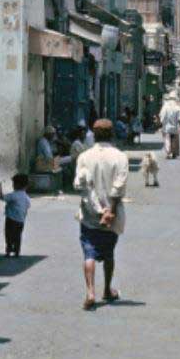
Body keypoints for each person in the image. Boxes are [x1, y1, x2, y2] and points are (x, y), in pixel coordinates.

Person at [74, 119, 128, 310]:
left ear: (94, 135)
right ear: (112, 134)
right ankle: (106, 289)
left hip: (89, 214)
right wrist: (109, 211)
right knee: (109, 253)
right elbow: (119, 186)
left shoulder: (84, 156)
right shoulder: (120, 157)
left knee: (89, 252)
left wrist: (97, 210)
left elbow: (81, 185)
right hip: (111, 215)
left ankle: (90, 291)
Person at [3, 174, 31, 257]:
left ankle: (8, 250)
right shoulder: (26, 197)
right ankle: (17, 251)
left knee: (9, 235)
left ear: (16, 185)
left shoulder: (13, 195)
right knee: (18, 236)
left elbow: (3, 198)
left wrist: (0, 188)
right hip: (21, 220)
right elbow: (28, 206)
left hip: (11, 219)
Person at [159, 93, 180, 160]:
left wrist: (161, 124)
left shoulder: (165, 107)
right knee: (174, 140)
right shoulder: (177, 107)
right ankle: (174, 153)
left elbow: (161, 116)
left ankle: (168, 153)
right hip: (175, 127)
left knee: (167, 140)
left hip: (166, 127)